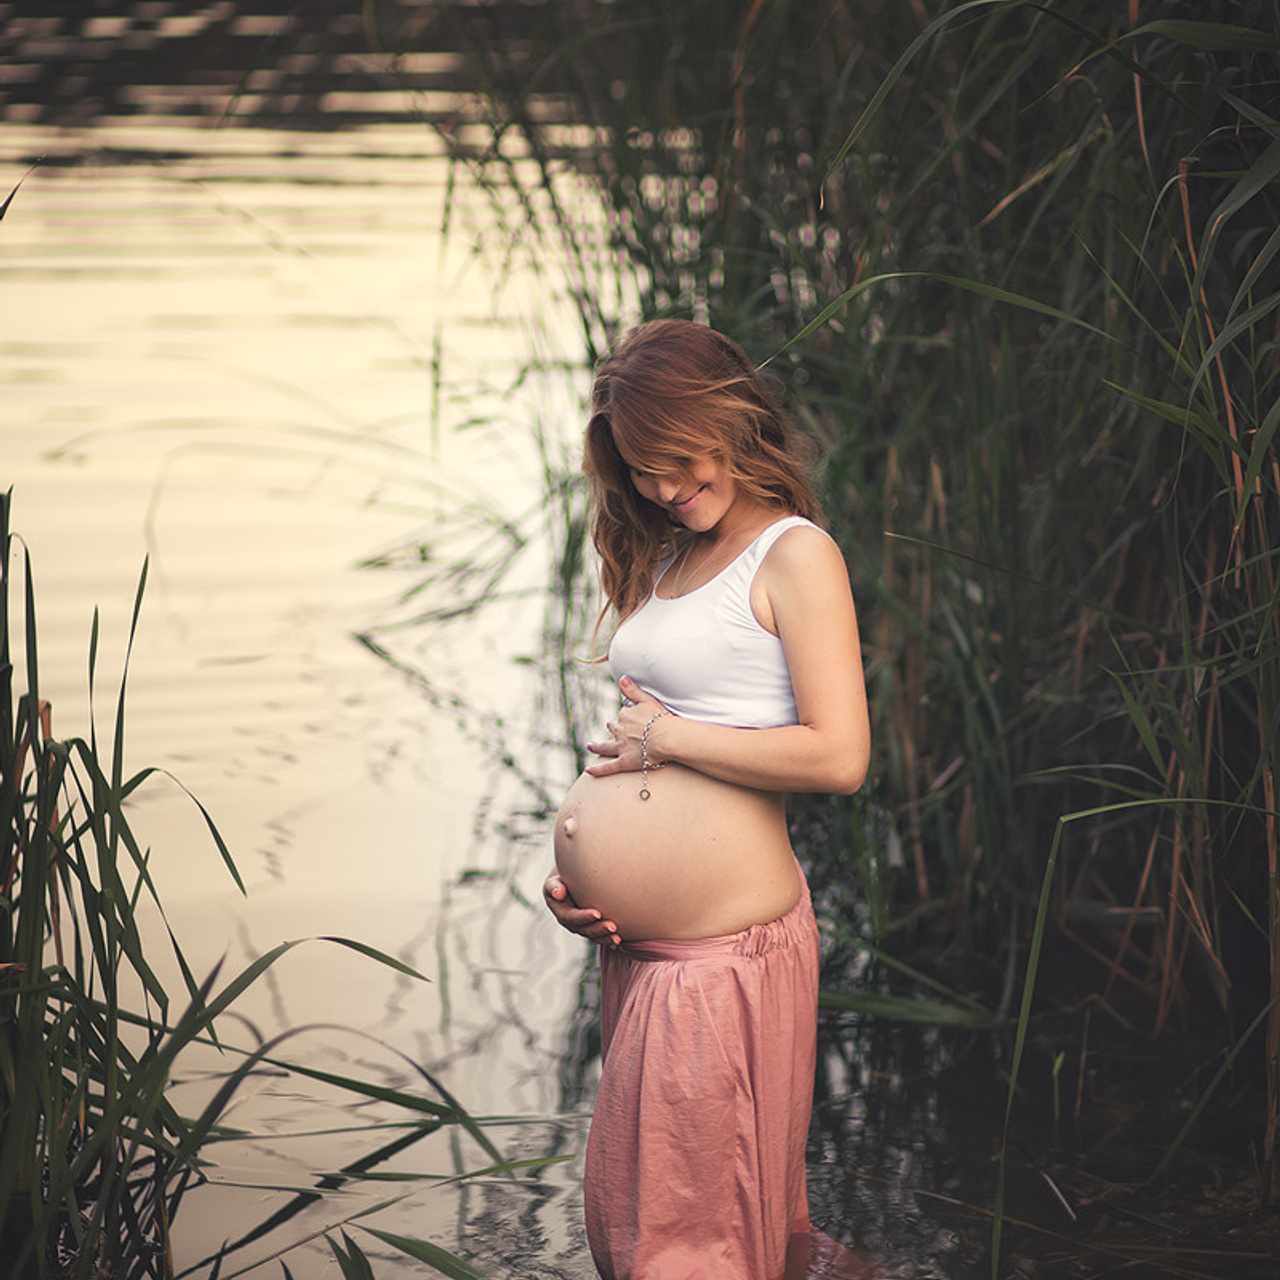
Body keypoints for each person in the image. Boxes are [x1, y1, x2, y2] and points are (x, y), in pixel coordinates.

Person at [543, 319, 870, 1280]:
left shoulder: (794, 554)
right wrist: (579, 878)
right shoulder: (674, 555)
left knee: (690, 1242)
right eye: (641, 470)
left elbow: (840, 756)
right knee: (660, 1220)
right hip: (648, 949)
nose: (663, 488)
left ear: (733, 421)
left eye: (677, 461)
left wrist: (669, 740)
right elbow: (639, 743)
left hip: (721, 953)